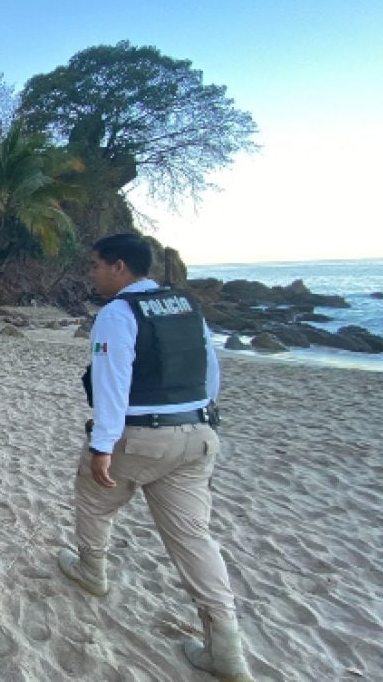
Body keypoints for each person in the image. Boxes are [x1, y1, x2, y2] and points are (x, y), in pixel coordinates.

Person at [57, 234, 254, 681]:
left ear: (119, 267)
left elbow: (112, 382)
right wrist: (197, 419)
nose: (92, 272)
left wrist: (102, 446)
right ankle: (226, 646)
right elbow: (210, 371)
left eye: (96, 265)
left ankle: (92, 570)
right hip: (198, 434)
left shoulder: (117, 314)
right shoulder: (187, 308)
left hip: (141, 436)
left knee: (93, 496)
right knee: (193, 539)